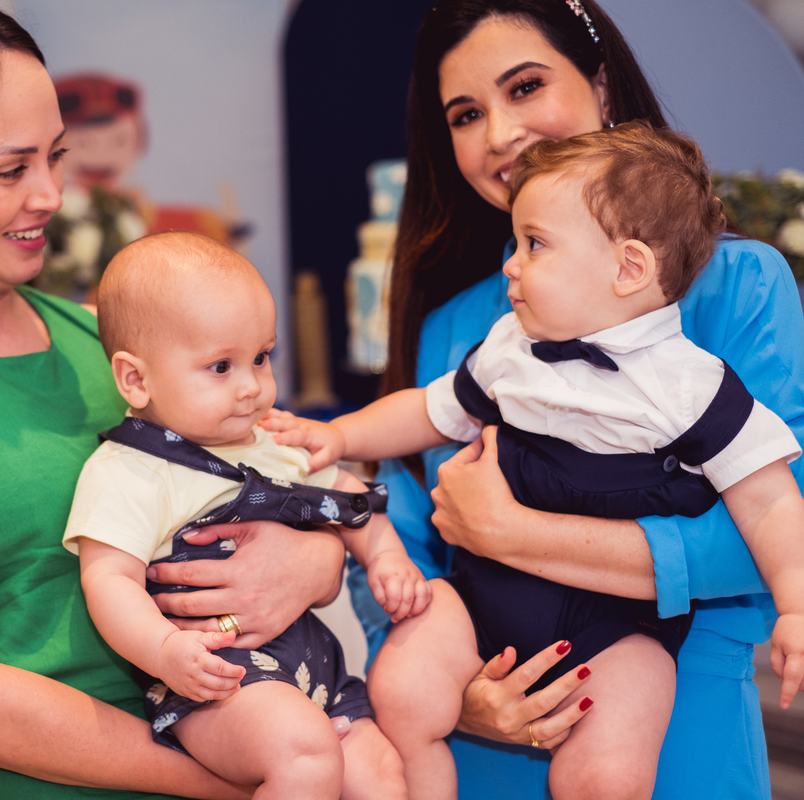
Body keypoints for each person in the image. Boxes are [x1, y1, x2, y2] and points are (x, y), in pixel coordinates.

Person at [0, 2, 349, 798]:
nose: (50, 194)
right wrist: (230, 781)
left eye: (55, 157)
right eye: (12, 170)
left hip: (234, 734)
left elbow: (280, 481)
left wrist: (316, 561)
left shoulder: (106, 343)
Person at [343, 1, 804, 797]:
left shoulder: (741, 284)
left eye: (525, 87)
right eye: (466, 114)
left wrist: (512, 532)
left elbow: (769, 527)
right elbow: (404, 537)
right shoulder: (459, 322)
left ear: (598, 82)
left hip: (670, 720)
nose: (499, 134)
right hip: (479, 722)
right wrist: (455, 696)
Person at [63, 231, 424, 799]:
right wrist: (163, 650)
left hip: (314, 668)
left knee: (381, 773)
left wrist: (385, 557)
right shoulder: (130, 471)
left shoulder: (273, 440)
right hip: (218, 681)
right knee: (304, 754)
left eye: (261, 357)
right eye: (220, 367)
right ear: (136, 379)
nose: (253, 386)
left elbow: (347, 494)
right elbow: (107, 579)